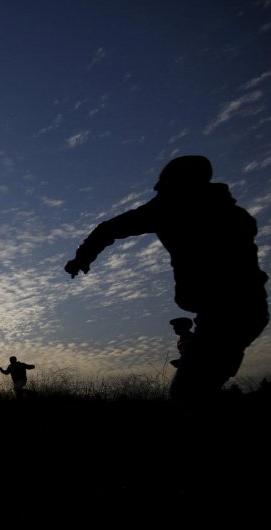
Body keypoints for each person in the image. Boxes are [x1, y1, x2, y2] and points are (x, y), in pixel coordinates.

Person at [65, 155, 268, 402]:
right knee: (200, 387)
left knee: (187, 394)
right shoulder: (233, 213)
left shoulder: (173, 206)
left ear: (176, 183)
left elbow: (108, 229)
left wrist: (81, 259)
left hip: (228, 313)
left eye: (164, 184)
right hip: (244, 311)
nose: (158, 190)